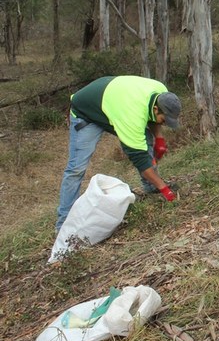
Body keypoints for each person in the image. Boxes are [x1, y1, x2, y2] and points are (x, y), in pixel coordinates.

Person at [55, 75, 181, 232]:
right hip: (86, 113)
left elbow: (152, 117)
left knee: (146, 138)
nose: (165, 124)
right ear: (157, 109)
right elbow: (140, 160)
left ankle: (150, 186)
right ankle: (63, 223)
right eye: (164, 121)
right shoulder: (131, 116)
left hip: (113, 104)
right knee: (76, 168)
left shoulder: (161, 92)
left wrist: (159, 139)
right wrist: (165, 189)